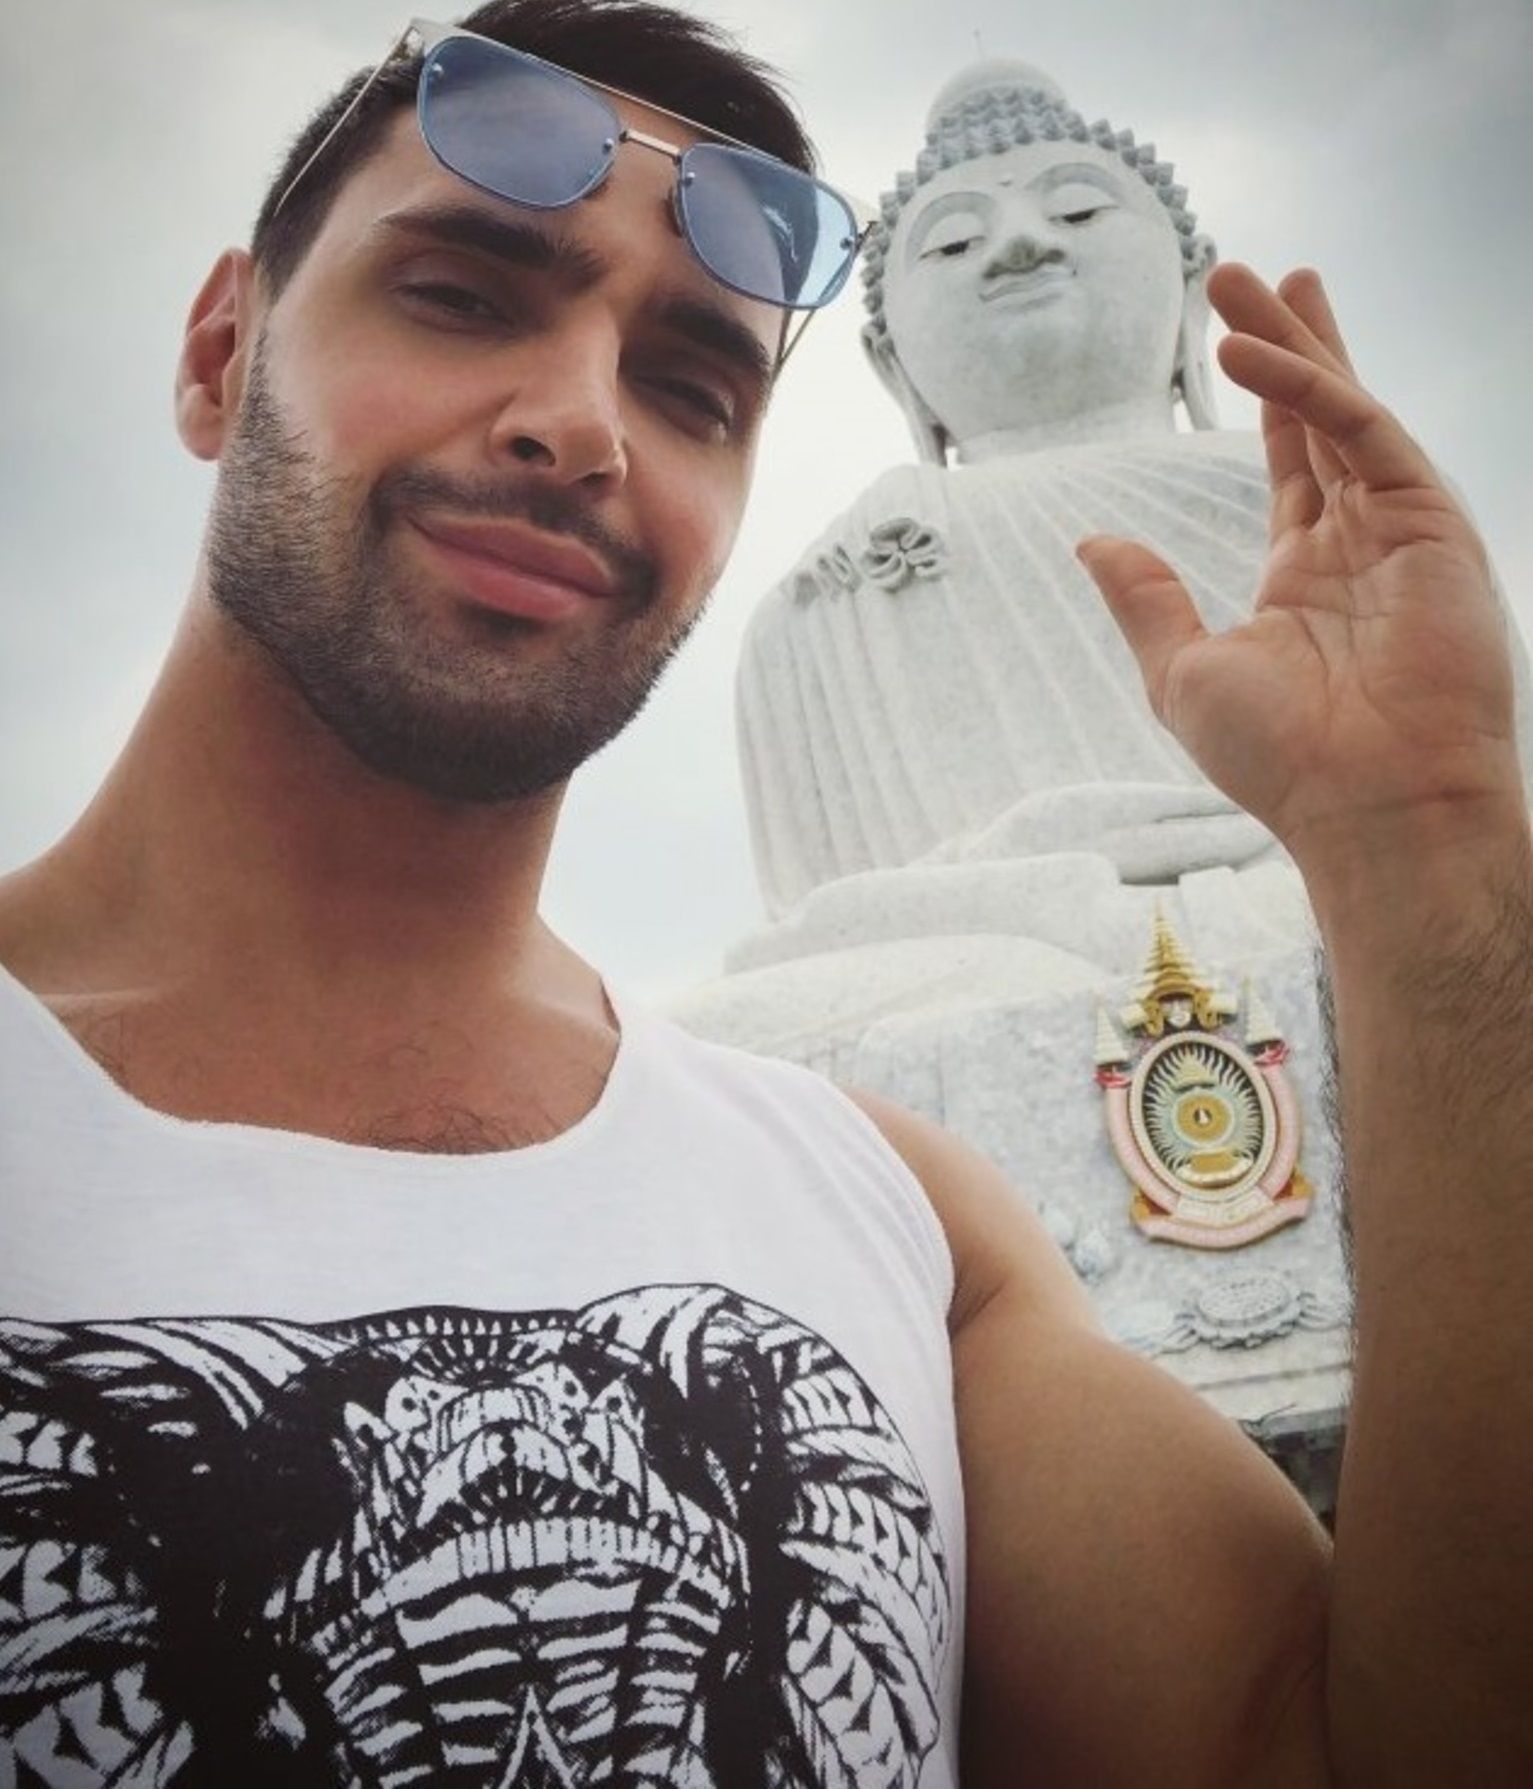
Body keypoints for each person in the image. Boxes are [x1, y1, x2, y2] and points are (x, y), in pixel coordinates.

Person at [0, 5, 1528, 1787]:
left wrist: (1424, 847)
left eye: (691, 390)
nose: (581, 426)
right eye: (462, 297)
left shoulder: (906, 1228)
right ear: (220, 351)